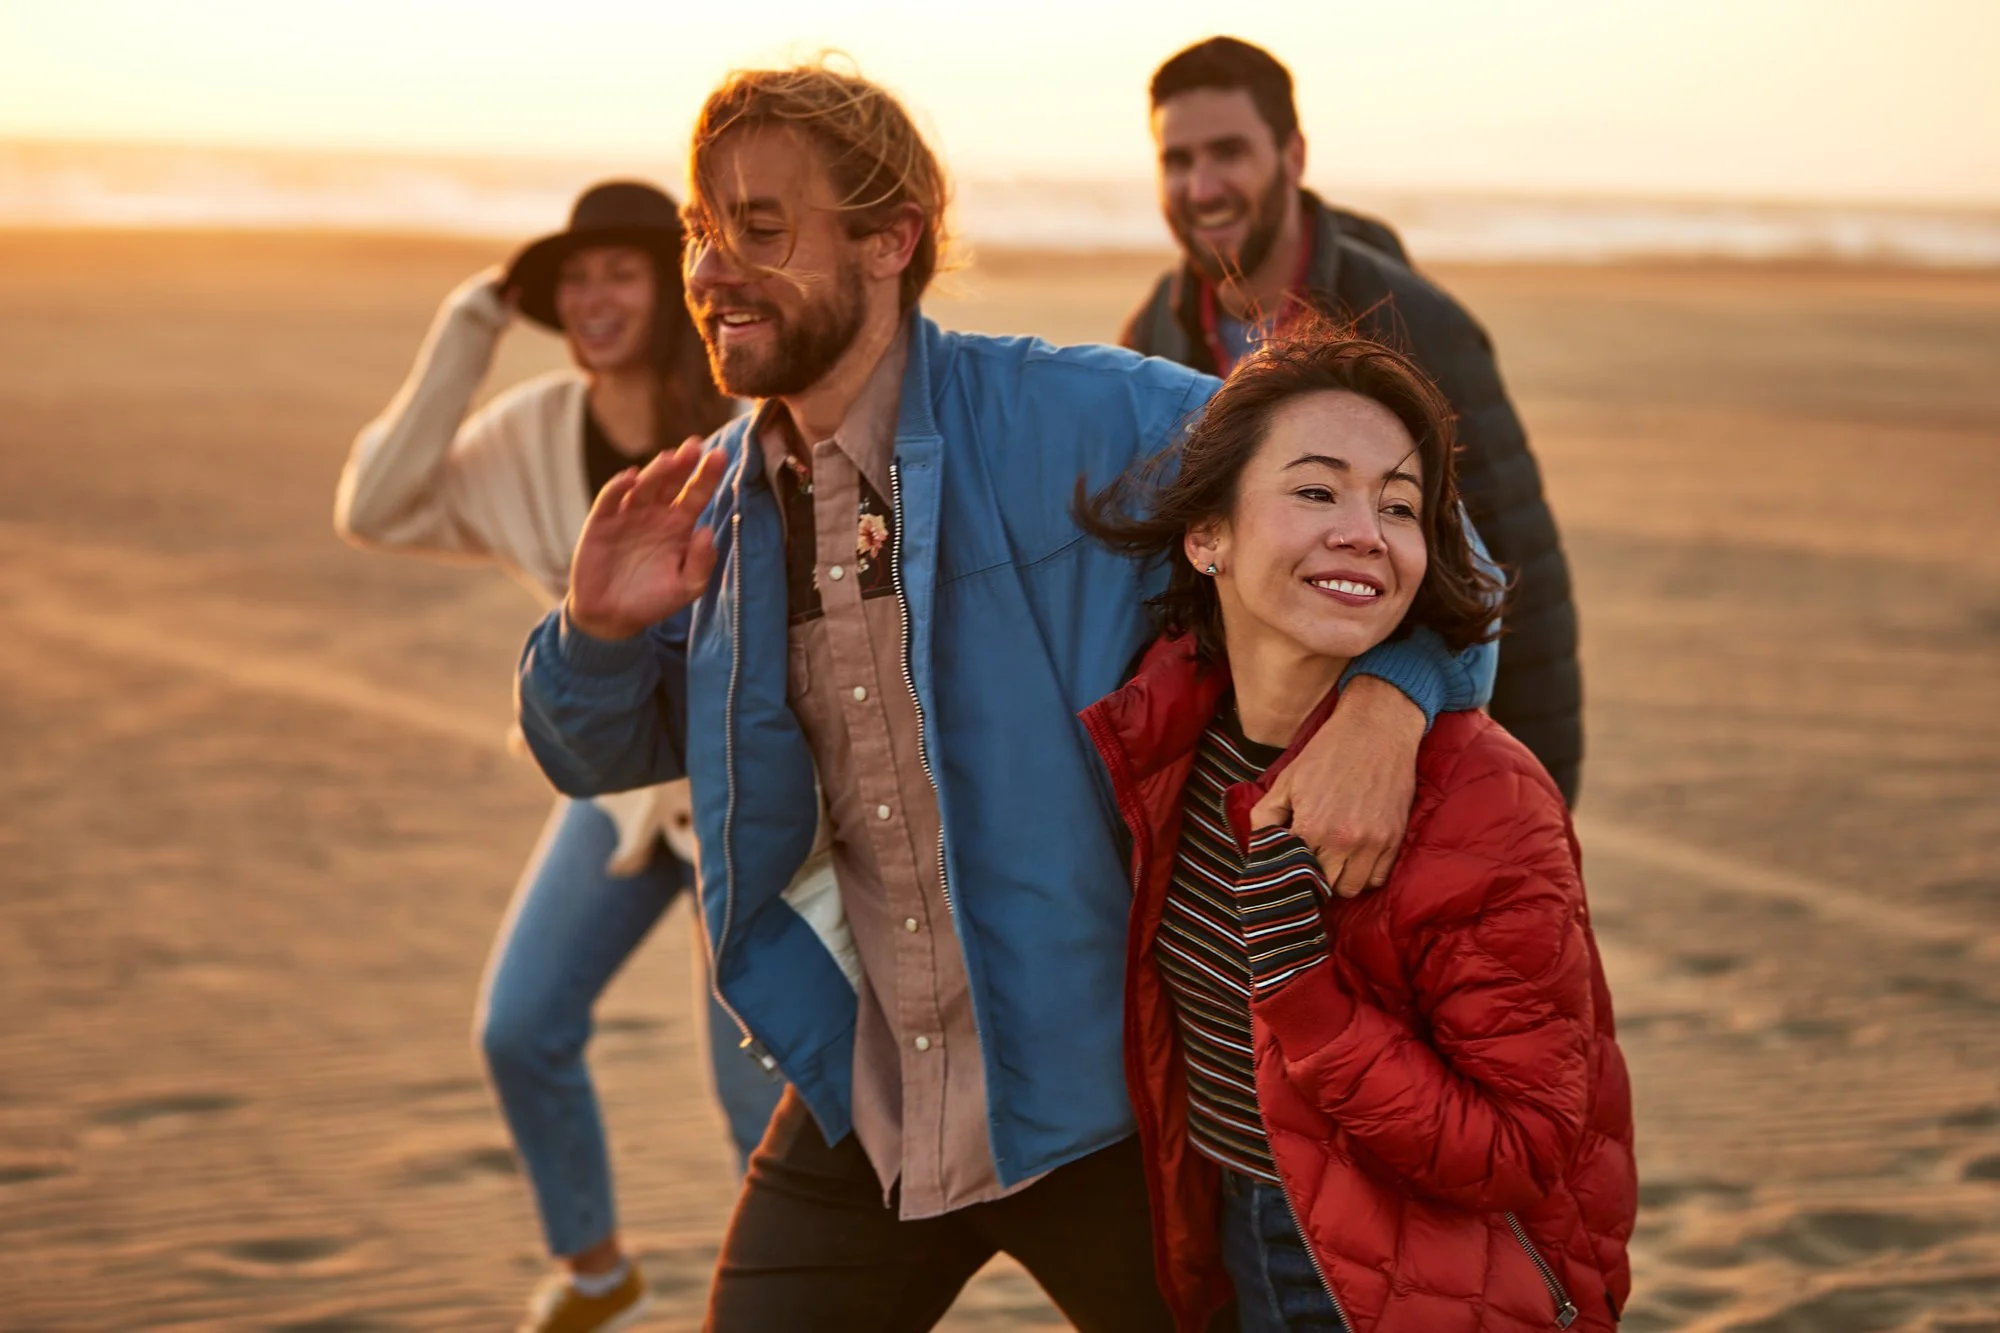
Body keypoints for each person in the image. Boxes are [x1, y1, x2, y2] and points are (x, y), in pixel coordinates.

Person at [513, 63, 1498, 1331]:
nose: (708, 269)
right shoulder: (718, 497)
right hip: (868, 1092)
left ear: (887, 240)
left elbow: (1438, 550)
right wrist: (594, 631)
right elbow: (587, 755)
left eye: (760, 229)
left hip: (1110, 1102)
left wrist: (1391, 700)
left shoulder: (1083, 416)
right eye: (702, 231)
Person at [1075, 328, 1634, 1332]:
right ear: (1207, 535)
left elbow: (1522, 1146)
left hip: (1407, 1278)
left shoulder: (1482, 802)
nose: (1365, 532)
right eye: (1316, 491)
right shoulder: (1162, 734)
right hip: (1226, 1231)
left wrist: (1310, 1005)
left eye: (1398, 507)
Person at [334, 180, 784, 1333]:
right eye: (569, 280)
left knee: (758, 1113)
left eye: (618, 273)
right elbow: (377, 507)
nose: (592, 297)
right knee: (519, 1025)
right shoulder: (530, 432)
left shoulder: (743, 430)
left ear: (672, 288)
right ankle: (597, 1273)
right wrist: (472, 319)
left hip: (751, 799)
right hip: (622, 789)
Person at [1122, 36, 1585, 805]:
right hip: (1241, 775)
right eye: (1177, 160)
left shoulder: (1419, 329)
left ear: (1293, 155)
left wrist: (1531, 792)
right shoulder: (1154, 336)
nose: (1201, 187)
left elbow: (1508, 578)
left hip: (1408, 766)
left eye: (1229, 152)